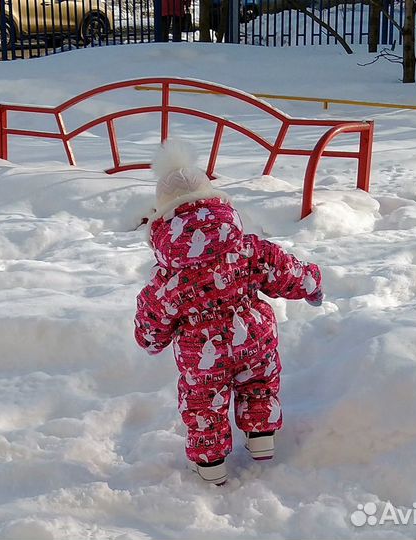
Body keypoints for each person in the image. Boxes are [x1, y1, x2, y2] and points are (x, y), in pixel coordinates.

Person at [134, 140, 323, 486]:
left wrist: (149, 339)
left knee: (204, 405)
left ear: (164, 217)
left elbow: (152, 320)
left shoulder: (169, 277)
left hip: (203, 358)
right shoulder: (248, 249)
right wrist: (311, 285)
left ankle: (211, 466)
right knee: (259, 383)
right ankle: (261, 435)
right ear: (214, 202)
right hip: (253, 338)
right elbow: (285, 271)